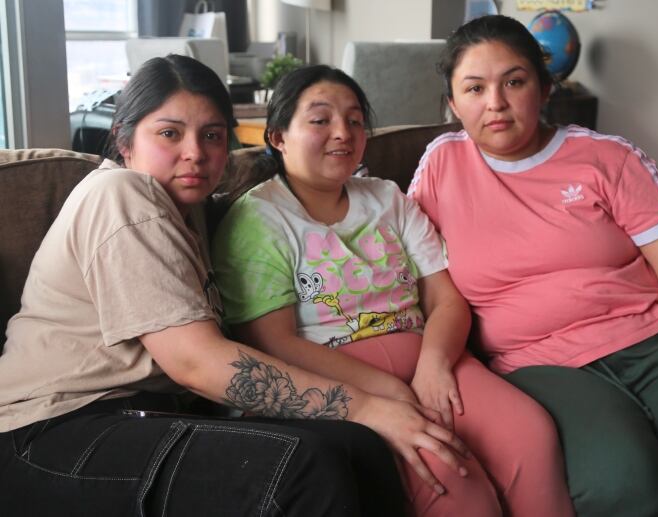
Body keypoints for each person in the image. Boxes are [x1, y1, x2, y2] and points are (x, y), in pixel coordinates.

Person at [0, 54, 410, 517]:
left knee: (358, 447)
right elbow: (196, 362)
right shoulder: (119, 194)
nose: (195, 152)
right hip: (49, 430)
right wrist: (365, 405)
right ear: (125, 139)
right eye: (170, 133)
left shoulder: (194, 211)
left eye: (212, 135)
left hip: (144, 418)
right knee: (303, 465)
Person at [408, 14, 658, 517]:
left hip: (655, 342)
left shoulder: (606, 158)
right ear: (453, 105)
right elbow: (412, 272)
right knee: (626, 489)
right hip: (536, 362)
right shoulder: (440, 165)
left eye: (514, 82)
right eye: (474, 88)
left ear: (543, 88)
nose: (494, 103)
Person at [211, 64, 575, 517]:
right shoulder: (259, 218)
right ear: (278, 137)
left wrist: (434, 367)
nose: (342, 132)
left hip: (430, 358)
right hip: (336, 374)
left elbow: (445, 299)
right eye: (320, 120)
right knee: (457, 484)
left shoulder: (387, 198)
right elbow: (271, 342)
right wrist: (384, 389)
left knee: (529, 433)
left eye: (355, 120)